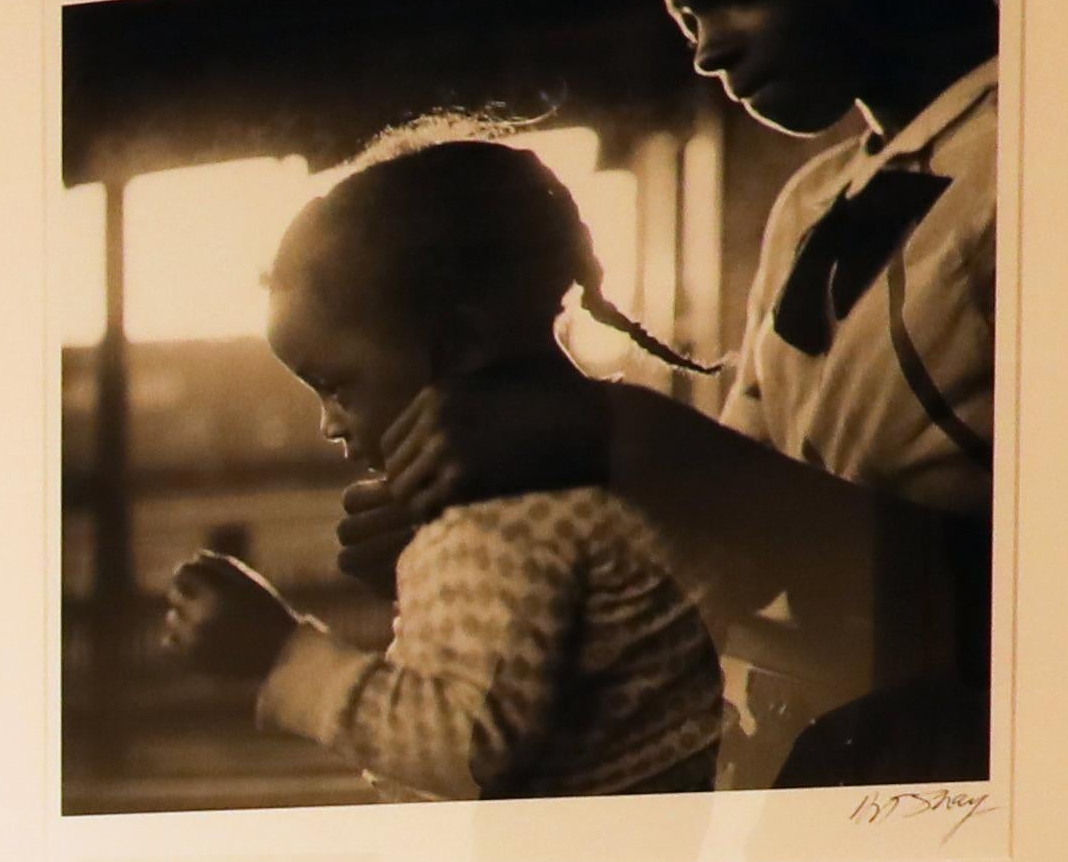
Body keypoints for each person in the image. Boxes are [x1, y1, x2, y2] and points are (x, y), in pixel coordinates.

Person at [342, 0, 999, 782]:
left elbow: (1060, 579)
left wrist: (613, 435)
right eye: (689, 20)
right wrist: (494, 563)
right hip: (836, 751)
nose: (706, 50)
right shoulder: (814, 202)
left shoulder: (1033, 150)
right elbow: (740, 556)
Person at [158, 139, 725, 803]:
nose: (329, 424)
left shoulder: (499, 515)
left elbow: (464, 753)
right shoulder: (576, 485)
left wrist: (281, 658)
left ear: (462, 343)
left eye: (337, 386)